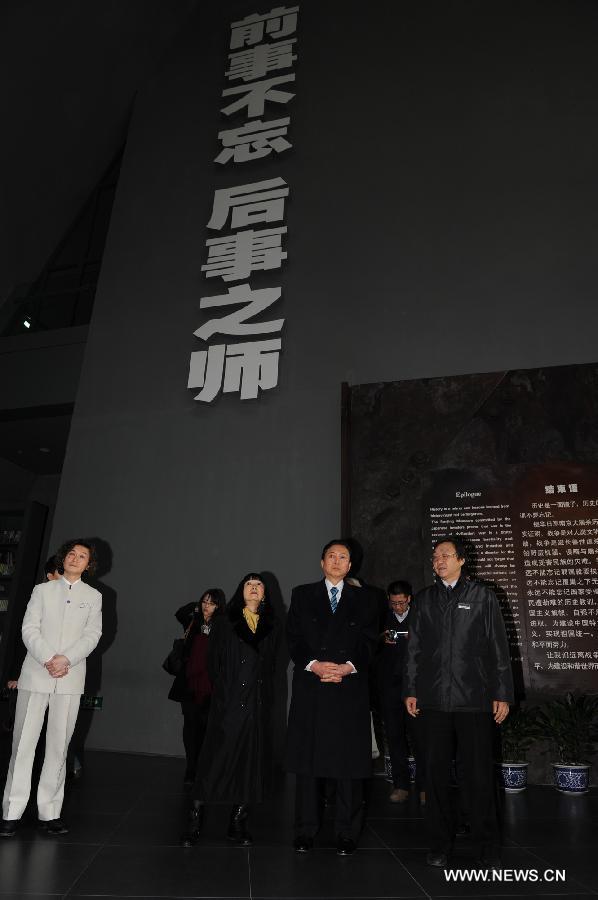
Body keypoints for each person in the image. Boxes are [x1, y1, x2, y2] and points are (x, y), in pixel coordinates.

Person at [403, 536, 513, 869]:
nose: (438, 561)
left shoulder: (483, 597)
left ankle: (486, 846)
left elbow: (498, 649)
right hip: (433, 702)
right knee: (434, 778)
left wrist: (502, 693)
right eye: (435, 556)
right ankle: (439, 845)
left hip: (474, 701)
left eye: (445, 555)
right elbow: (413, 651)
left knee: (478, 777)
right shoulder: (424, 600)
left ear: (462, 560)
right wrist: (410, 689)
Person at [0, 540, 102, 838]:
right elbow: (28, 628)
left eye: (82, 556)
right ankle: (11, 810)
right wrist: (48, 659)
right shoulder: (42, 591)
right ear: (63, 558)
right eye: (71, 553)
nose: (75, 558)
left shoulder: (94, 596)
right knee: (22, 744)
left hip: (69, 678)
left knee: (59, 746)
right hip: (36, 674)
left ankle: (50, 811)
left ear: (89, 565)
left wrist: (66, 660)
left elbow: (93, 634)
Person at [285, 540, 379, 856]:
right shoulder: (301, 595)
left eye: (343, 557)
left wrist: (347, 667)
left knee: (348, 765)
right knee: (308, 763)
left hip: (349, 687)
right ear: (321, 562)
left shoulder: (367, 599)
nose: (337, 561)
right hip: (312, 687)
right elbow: (293, 638)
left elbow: (370, 641)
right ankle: (305, 830)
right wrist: (314, 665)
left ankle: (346, 831)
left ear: (351, 565)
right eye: (331, 556)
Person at [181, 573, 278, 847]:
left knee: (249, 764)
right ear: (241, 591)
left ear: (265, 594)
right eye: (249, 584)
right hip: (229, 703)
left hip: (256, 705)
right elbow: (213, 663)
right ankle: (194, 820)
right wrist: (225, 694)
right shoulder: (225, 623)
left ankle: (237, 822)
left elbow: (271, 665)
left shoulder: (271, 625)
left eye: (259, 585)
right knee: (213, 761)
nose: (254, 588)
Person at [167, 588, 225, 784]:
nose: (207, 605)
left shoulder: (222, 626)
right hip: (189, 684)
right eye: (205, 601)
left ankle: (205, 768)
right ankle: (191, 768)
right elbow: (180, 612)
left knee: (208, 729)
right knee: (190, 728)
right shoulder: (193, 621)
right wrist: (196, 607)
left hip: (211, 686)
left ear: (219, 606)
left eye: (212, 602)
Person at [377, 580, 425, 804]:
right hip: (390, 687)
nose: (398, 607)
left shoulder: (420, 618)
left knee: (419, 737)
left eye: (402, 603)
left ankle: (425, 786)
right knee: (394, 737)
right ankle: (401, 785)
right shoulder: (382, 620)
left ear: (409, 599)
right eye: (394, 603)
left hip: (415, 687)